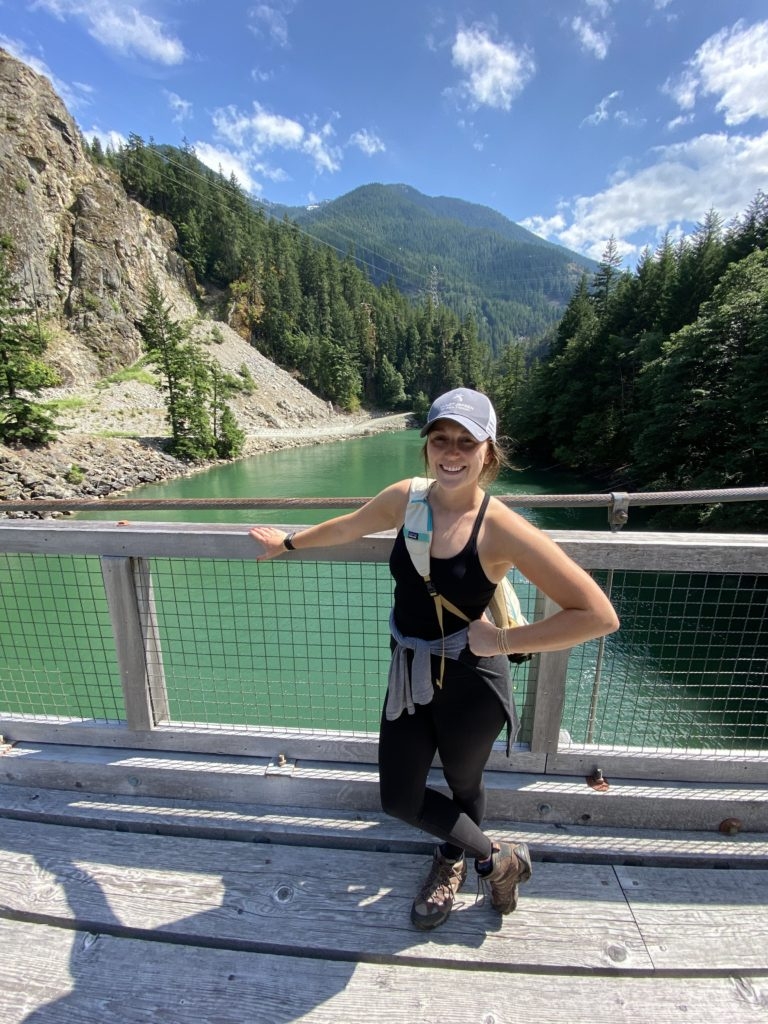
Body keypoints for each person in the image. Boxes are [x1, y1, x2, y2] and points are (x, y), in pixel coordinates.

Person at [249, 387, 619, 931]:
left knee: (465, 784)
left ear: (487, 453)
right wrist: (289, 542)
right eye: (440, 438)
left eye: (466, 442)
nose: (451, 451)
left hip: (472, 682)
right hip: (410, 671)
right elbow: (352, 525)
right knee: (399, 797)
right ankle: (498, 860)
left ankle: (451, 860)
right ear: (426, 447)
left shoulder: (502, 528)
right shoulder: (407, 498)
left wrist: (505, 642)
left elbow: (597, 614)